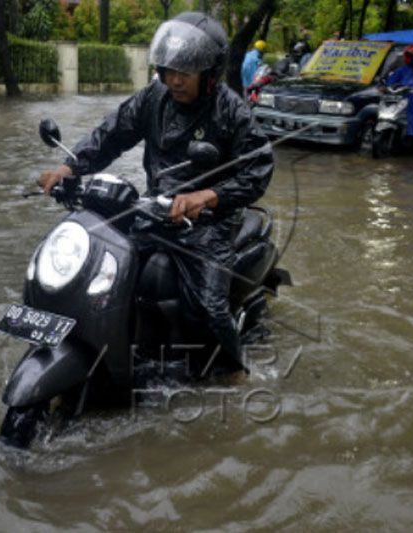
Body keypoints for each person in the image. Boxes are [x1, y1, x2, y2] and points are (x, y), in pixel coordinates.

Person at [38, 12, 274, 372]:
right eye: (167, 70)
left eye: (185, 72)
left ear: (210, 74)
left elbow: (258, 168)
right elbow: (112, 134)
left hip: (212, 225)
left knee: (209, 308)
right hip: (155, 211)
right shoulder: (154, 97)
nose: (174, 80)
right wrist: (69, 168)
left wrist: (207, 196)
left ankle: (234, 374)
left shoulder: (231, 111)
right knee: (104, 269)